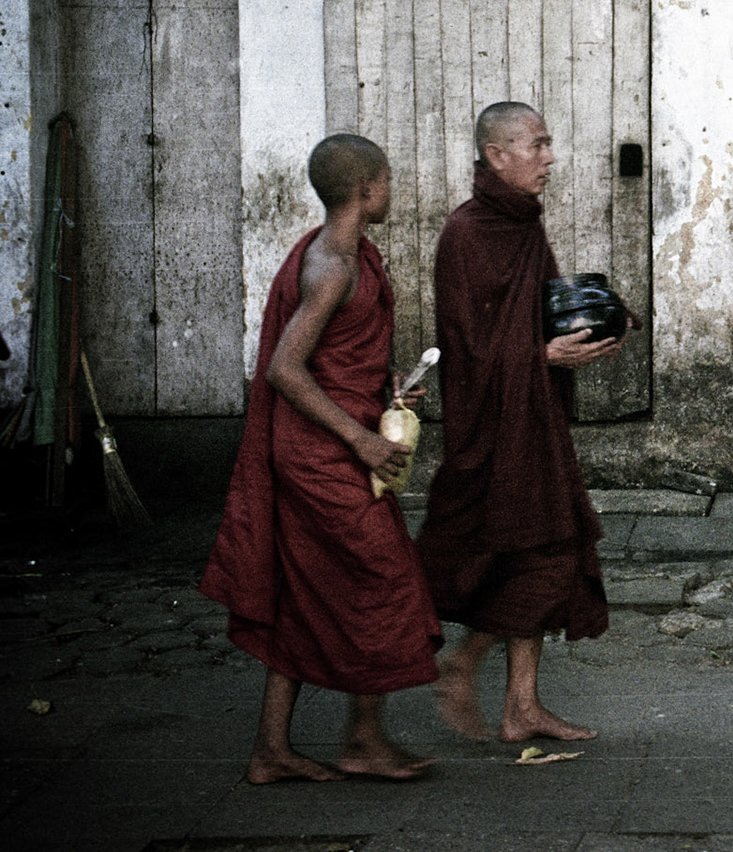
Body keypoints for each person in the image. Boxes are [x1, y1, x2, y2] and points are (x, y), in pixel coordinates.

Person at [201, 134, 440, 783]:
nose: (391, 192)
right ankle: (362, 739)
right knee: (384, 581)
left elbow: (339, 355)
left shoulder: (352, 253)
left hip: (329, 442)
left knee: (304, 592)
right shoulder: (333, 263)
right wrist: (361, 438)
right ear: (366, 190)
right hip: (320, 457)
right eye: (387, 182)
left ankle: (270, 750)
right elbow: (286, 368)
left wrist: (385, 387)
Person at [416, 102, 621, 743]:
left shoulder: (522, 225)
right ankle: (466, 662)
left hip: (534, 421)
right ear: (496, 155)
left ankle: (521, 708)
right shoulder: (467, 234)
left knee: (545, 548)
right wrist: (542, 356)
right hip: (493, 429)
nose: (549, 158)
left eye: (548, 144)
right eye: (536, 145)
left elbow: (541, 308)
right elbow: (471, 351)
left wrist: (599, 319)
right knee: (538, 554)